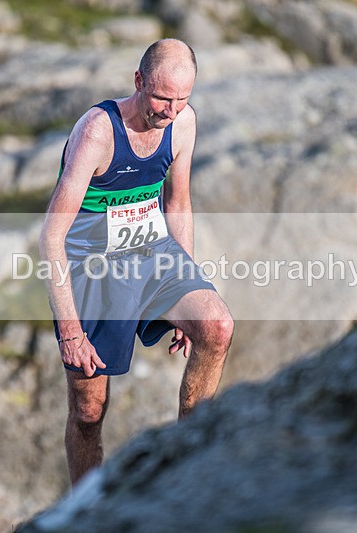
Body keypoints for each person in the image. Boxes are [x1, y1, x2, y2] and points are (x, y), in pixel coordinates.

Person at [39, 39, 234, 486]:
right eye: (162, 98)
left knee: (216, 327)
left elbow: (178, 204)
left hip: (152, 252)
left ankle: (188, 473)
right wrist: (70, 333)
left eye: (182, 98)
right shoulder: (97, 132)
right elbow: (51, 235)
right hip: (93, 266)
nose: (171, 110)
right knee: (88, 411)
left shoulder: (183, 123)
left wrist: (186, 285)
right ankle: (87, 509)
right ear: (139, 81)